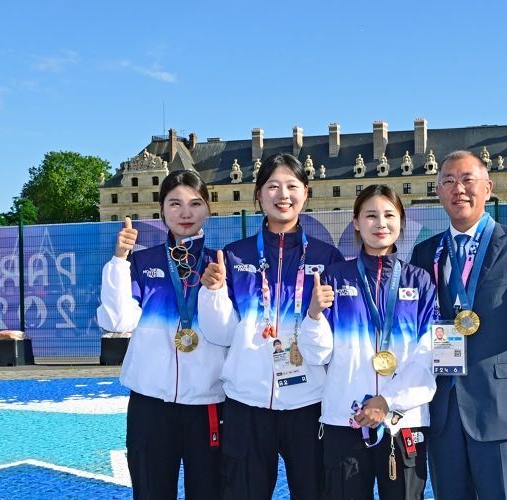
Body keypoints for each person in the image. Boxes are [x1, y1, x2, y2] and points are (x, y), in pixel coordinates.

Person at [410, 150, 507, 499]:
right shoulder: (425, 253)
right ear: (438, 192)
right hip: (443, 408)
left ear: (488, 187)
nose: (458, 189)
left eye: (467, 180)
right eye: (448, 181)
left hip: (499, 406)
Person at [197, 153, 344, 500]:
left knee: (314, 492)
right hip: (247, 403)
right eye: (273, 186)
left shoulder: (327, 258)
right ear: (259, 195)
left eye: (292, 186)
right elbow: (220, 334)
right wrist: (213, 293)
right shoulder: (233, 256)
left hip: (308, 403)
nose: (283, 194)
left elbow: (332, 340)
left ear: (305, 193)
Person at [300, 184, 437, 500]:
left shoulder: (419, 281)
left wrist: (387, 401)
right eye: (371, 215)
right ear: (357, 223)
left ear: (400, 221)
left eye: (389, 215)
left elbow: (427, 353)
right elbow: (317, 354)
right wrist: (314, 315)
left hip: (403, 422)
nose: (381, 224)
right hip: (345, 420)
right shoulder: (335, 277)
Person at [97, 170, 225, 499]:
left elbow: (229, 333)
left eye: (195, 203)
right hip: (150, 406)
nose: (185, 213)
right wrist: (119, 261)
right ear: (161, 209)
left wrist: (217, 291)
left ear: (209, 209)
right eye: (175, 203)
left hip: (207, 404)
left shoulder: (221, 264)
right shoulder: (142, 262)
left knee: (209, 491)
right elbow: (118, 320)